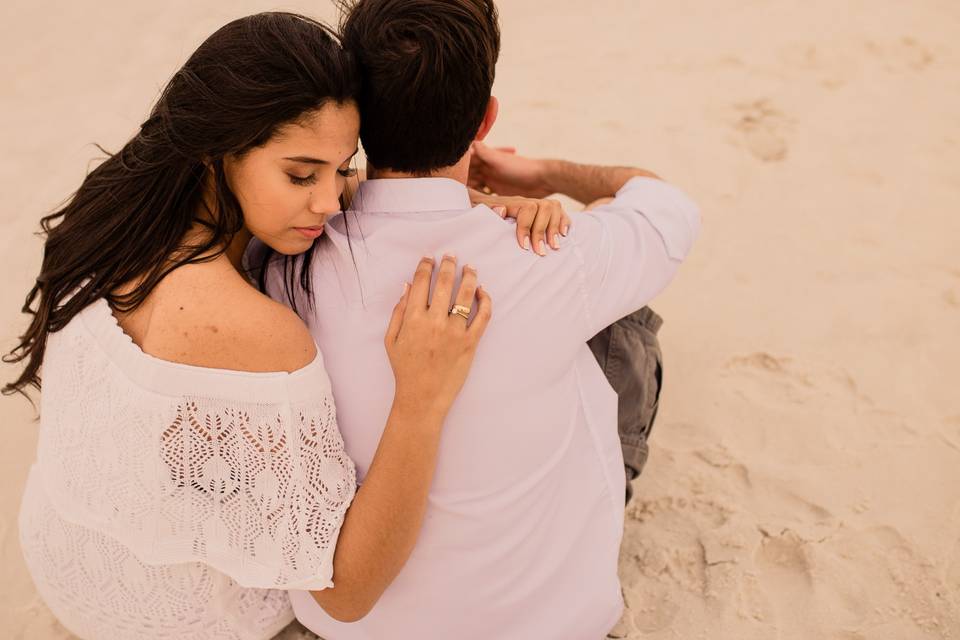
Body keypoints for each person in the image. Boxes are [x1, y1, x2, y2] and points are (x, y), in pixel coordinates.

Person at [2, 13, 513, 639]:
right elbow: (347, 594)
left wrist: (469, 201)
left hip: (68, 560)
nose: (328, 201)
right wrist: (420, 400)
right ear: (220, 152)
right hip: (178, 623)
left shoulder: (117, 212)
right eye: (302, 176)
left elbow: (320, 183)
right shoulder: (253, 331)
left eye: (341, 168)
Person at [267, 1, 701, 638]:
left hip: (357, 623)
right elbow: (663, 201)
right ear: (486, 117)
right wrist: (538, 176)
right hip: (555, 622)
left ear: (355, 113)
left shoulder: (288, 254)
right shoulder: (549, 255)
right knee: (619, 301)